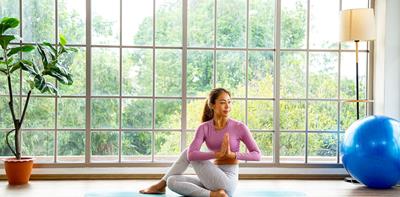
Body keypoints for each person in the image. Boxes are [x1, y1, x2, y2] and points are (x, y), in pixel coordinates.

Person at [139, 88, 261, 197]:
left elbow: (257, 155)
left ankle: (160, 184)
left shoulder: (239, 127)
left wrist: (233, 155)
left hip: (228, 181)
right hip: (211, 179)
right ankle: (213, 195)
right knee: (172, 181)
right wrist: (217, 154)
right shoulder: (204, 128)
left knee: (189, 152)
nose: (227, 106)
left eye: (229, 102)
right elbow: (191, 155)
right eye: (223, 102)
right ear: (212, 105)